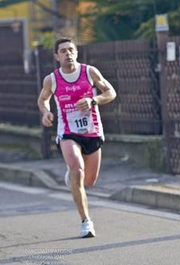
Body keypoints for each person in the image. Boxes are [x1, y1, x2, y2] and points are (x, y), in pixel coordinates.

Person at [37, 37, 117, 238]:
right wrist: (46, 113)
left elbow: (111, 92)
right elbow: (43, 99)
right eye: (63, 51)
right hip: (67, 132)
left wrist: (94, 100)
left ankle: (72, 176)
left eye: (71, 50)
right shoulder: (52, 79)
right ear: (56, 56)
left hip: (92, 131)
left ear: (76, 52)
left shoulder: (89, 72)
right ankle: (86, 222)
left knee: (89, 180)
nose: (68, 54)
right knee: (77, 169)